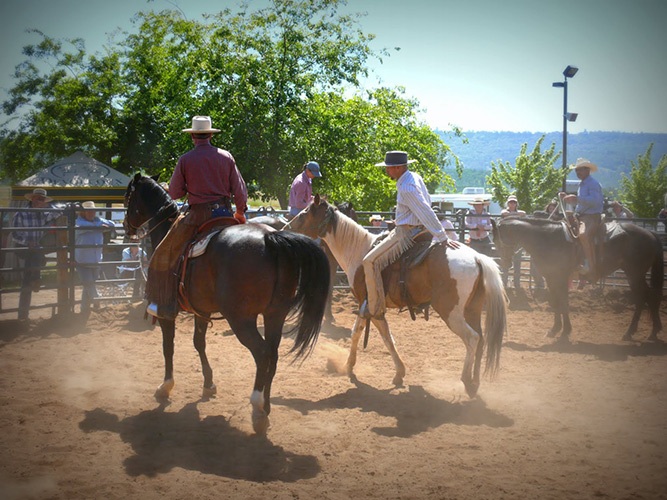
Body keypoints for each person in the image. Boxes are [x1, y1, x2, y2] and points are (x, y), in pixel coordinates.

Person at [146, 115, 248, 319]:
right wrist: (240, 212)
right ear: (210, 135)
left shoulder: (185, 159)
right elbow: (240, 189)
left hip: (197, 216)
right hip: (225, 214)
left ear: (192, 136)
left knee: (164, 252)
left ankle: (164, 303)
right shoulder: (226, 156)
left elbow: (175, 193)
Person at [360, 151, 460, 319]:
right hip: (419, 230)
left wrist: (442, 236)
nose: (387, 171)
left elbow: (425, 210)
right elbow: (425, 204)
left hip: (406, 233)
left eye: (389, 168)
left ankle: (375, 306)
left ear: (398, 168)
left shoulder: (406, 187)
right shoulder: (414, 177)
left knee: (369, 261)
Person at [11, 188, 60, 321]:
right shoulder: (21, 214)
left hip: (35, 250)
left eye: (42, 199)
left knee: (27, 280)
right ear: (32, 199)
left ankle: (23, 314)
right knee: (36, 256)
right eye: (38, 198)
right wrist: (27, 242)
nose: (40, 201)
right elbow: (14, 234)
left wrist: (49, 205)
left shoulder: (43, 214)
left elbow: (58, 212)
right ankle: (36, 277)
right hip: (23, 247)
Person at [559, 158, 604, 279]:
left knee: (583, 235)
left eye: (580, 170)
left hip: (591, 216)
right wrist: (568, 198)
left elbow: (595, 201)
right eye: (576, 170)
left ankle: (591, 266)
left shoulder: (592, 184)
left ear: (587, 170)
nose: (578, 172)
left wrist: (576, 199)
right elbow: (583, 202)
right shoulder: (583, 184)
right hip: (581, 216)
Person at [75, 201, 115, 317]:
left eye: (93, 211)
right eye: (88, 211)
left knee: (88, 285)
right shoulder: (78, 223)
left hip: (96, 259)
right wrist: (99, 226)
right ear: (83, 212)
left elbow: (112, 224)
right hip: (83, 260)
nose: (91, 213)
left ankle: (84, 310)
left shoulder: (97, 221)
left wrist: (100, 223)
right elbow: (83, 227)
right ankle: (96, 299)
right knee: (89, 284)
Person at [500, 195, 526, 288]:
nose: (512, 204)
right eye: (510, 202)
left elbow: (523, 213)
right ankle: (504, 283)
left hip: (516, 240)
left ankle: (516, 284)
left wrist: (512, 214)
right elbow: (504, 213)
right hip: (507, 241)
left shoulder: (519, 212)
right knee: (506, 262)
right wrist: (515, 215)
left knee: (517, 262)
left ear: (516, 204)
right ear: (508, 203)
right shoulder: (505, 212)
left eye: (514, 202)